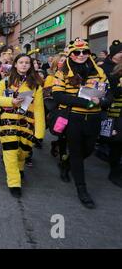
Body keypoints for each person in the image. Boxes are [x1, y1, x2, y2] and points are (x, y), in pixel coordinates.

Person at [52, 38, 111, 209]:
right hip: (73, 119)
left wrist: (102, 101)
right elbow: (58, 96)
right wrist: (86, 103)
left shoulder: (99, 71)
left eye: (84, 52)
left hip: (93, 119)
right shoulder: (62, 72)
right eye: (77, 52)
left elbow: (108, 95)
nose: (81, 55)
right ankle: (82, 189)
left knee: (89, 150)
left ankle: (65, 163)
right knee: (77, 152)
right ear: (71, 54)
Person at [0, 53, 45, 198]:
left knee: (24, 152)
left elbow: (39, 109)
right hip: (8, 123)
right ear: (15, 64)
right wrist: (11, 102)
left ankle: (20, 167)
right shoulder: (6, 82)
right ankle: (14, 182)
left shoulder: (36, 85)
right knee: (10, 152)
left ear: (31, 65)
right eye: (21, 62)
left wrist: (39, 133)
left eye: (27, 62)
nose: (24, 65)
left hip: (28, 124)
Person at [44, 54, 70, 182]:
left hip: (72, 111)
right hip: (59, 111)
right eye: (61, 61)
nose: (64, 63)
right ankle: (63, 160)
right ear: (55, 63)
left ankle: (57, 145)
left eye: (66, 61)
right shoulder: (51, 77)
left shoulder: (73, 75)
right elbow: (47, 97)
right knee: (63, 135)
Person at [102, 40, 122, 187]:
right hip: (115, 111)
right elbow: (109, 92)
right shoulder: (110, 72)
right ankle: (114, 171)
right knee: (117, 141)